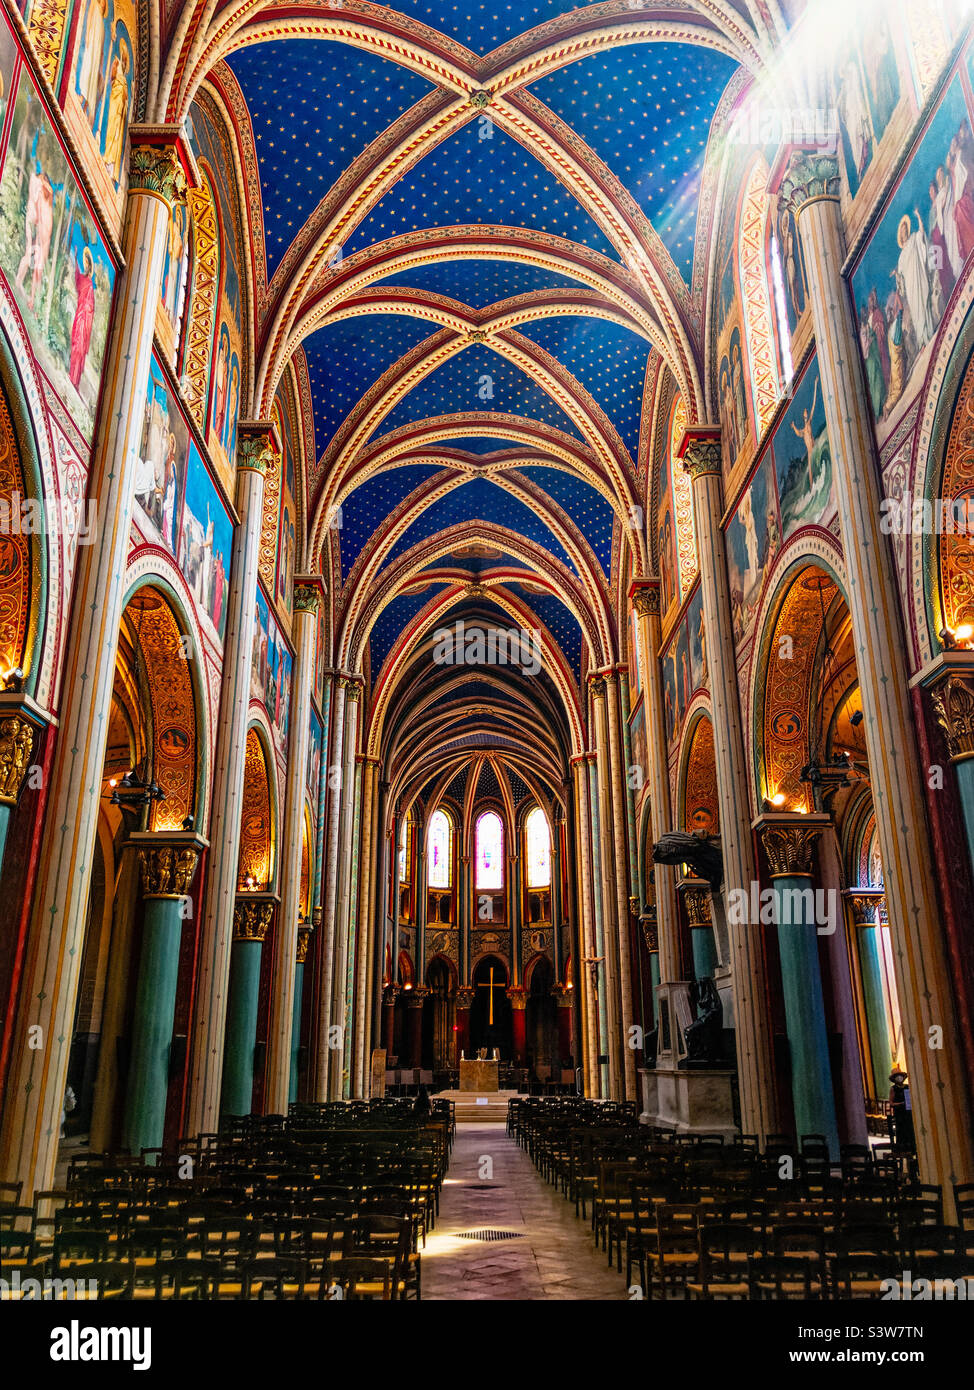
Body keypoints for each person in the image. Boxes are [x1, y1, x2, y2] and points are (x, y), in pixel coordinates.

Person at [888, 1067, 915, 1152]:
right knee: (901, 1130)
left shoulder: (907, 1087)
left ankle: (912, 1148)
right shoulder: (893, 1089)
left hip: (908, 1112)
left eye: (900, 1076)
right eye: (897, 1076)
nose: (899, 1077)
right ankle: (902, 1149)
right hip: (899, 1113)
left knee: (910, 1129)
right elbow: (891, 1103)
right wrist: (900, 1104)